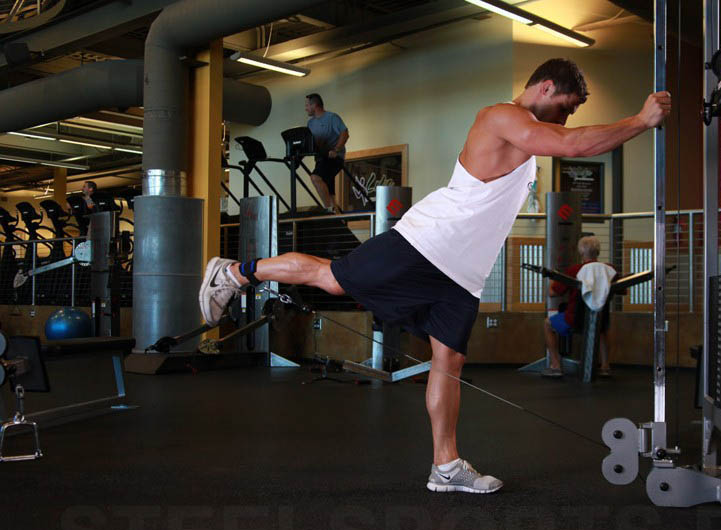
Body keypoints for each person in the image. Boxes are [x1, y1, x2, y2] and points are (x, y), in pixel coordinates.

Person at [199, 58, 671, 493]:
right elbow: (572, 144)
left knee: (449, 361)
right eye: (565, 107)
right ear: (545, 87)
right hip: (425, 244)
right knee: (335, 279)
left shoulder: (527, 138)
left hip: (462, 275)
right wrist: (640, 121)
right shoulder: (501, 116)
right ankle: (235, 272)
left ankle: (445, 466)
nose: (564, 120)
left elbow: (560, 144)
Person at [543, 235, 614, 378]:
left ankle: (556, 365)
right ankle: (605, 366)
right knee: (602, 328)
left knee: (547, 324)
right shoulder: (610, 269)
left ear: (581, 252)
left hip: (575, 320)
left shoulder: (574, 270)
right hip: (600, 319)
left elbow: (552, 293)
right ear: (598, 251)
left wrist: (553, 278)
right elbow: (622, 290)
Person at [305, 93, 349, 214]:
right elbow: (310, 143)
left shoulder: (332, 118)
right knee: (329, 192)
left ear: (314, 105)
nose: (305, 108)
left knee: (315, 177)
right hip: (320, 159)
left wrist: (336, 150)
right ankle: (336, 215)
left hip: (334, 158)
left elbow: (345, 133)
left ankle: (329, 210)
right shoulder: (310, 123)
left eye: (307, 105)